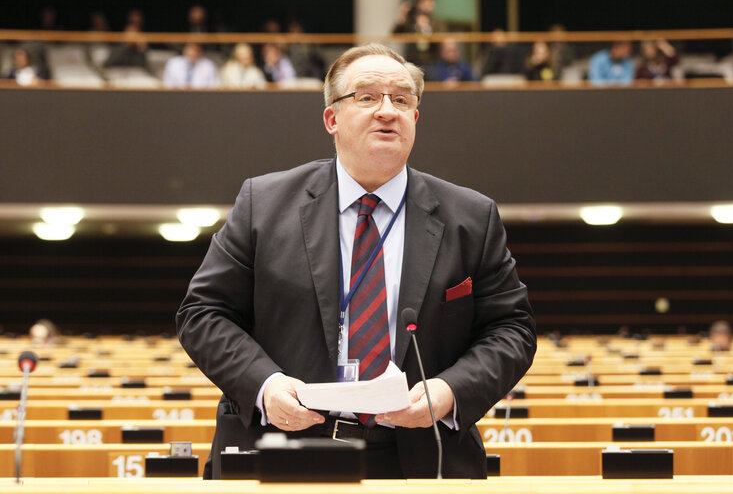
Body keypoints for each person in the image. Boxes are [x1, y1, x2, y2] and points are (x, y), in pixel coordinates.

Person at [176, 43, 536, 480]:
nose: (388, 110)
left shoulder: (471, 217)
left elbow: (511, 329)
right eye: (367, 97)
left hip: (420, 455)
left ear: (415, 119)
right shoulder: (263, 205)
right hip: (285, 448)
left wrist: (447, 391)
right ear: (332, 118)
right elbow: (203, 313)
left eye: (402, 99)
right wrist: (266, 387)